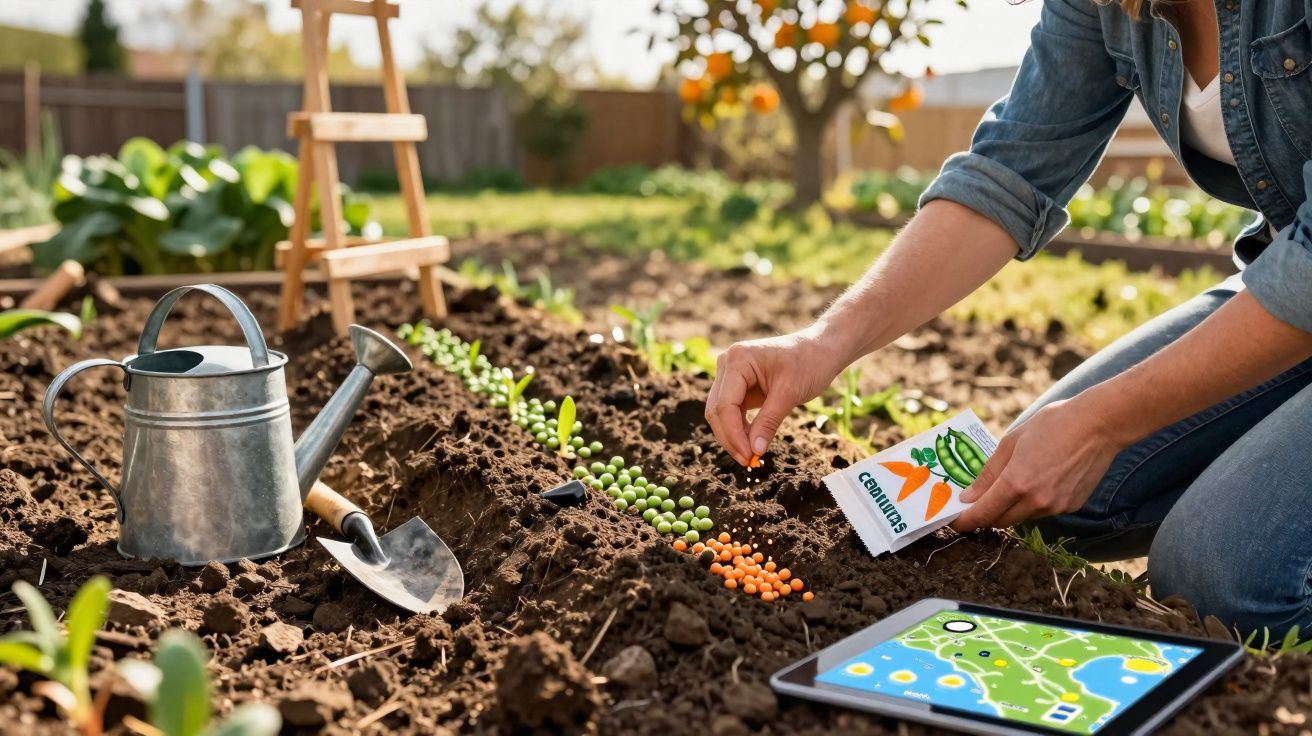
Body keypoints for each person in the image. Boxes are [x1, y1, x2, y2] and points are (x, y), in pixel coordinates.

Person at [705, 0, 1312, 635]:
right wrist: (821, 343)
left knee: (1226, 579)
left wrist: (1101, 422)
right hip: (1284, 284)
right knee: (1042, 500)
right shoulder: (1106, 6)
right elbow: (1011, 171)